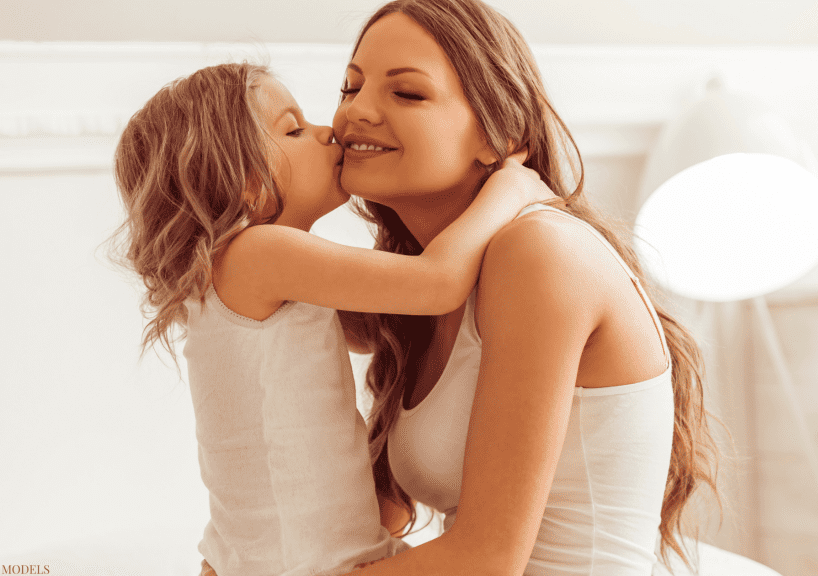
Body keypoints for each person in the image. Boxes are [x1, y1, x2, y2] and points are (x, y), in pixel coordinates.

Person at [110, 62, 555, 576]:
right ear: (247, 182)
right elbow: (436, 283)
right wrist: (511, 189)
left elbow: (372, 334)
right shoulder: (257, 254)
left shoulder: (247, 277)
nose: (328, 132)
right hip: (310, 563)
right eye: (293, 130)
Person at [332, 1, 721, 575]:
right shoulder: (426, 281)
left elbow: (484, 561)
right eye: (349, 88)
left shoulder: (537, 253)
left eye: (407, 93)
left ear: (496, 134)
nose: (355, 112)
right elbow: (369, 520)